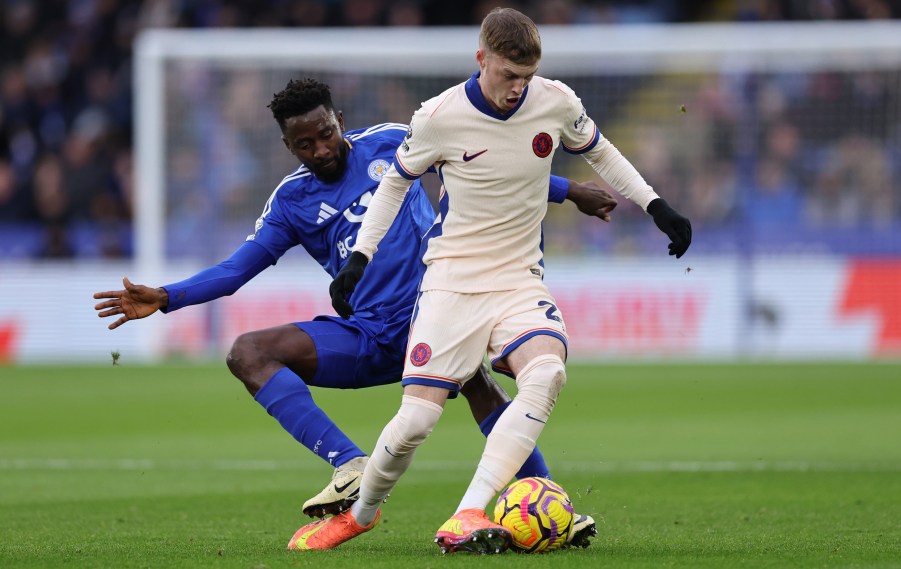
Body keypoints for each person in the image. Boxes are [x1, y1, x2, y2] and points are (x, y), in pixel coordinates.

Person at [92, 78, 615, 539]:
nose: (320, 149)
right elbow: (235, 271)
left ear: (338, 120)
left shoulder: (392, 141)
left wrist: (568, 191)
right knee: (248, 353)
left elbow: (481, 174)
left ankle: (550, 508)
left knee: (478, 384)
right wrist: (166, 297)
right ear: (287, 145)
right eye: (304, 144)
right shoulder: (291, 203)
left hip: (438, 312)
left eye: (325, 133)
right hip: (370, 336)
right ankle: (349, 464)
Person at [301, 7, 692, 554]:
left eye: (526, 77)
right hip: (453, 281)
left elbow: (600, 151)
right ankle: (361, 515)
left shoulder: (555, 101)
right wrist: (359, 260)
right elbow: (394, 185)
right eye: (509, 75)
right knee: (414, 421)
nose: (518, 88)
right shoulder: (439, 116)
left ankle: (467, 513)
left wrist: (656, 205)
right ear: (482, 59)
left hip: (518, 278)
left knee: (548, 371)